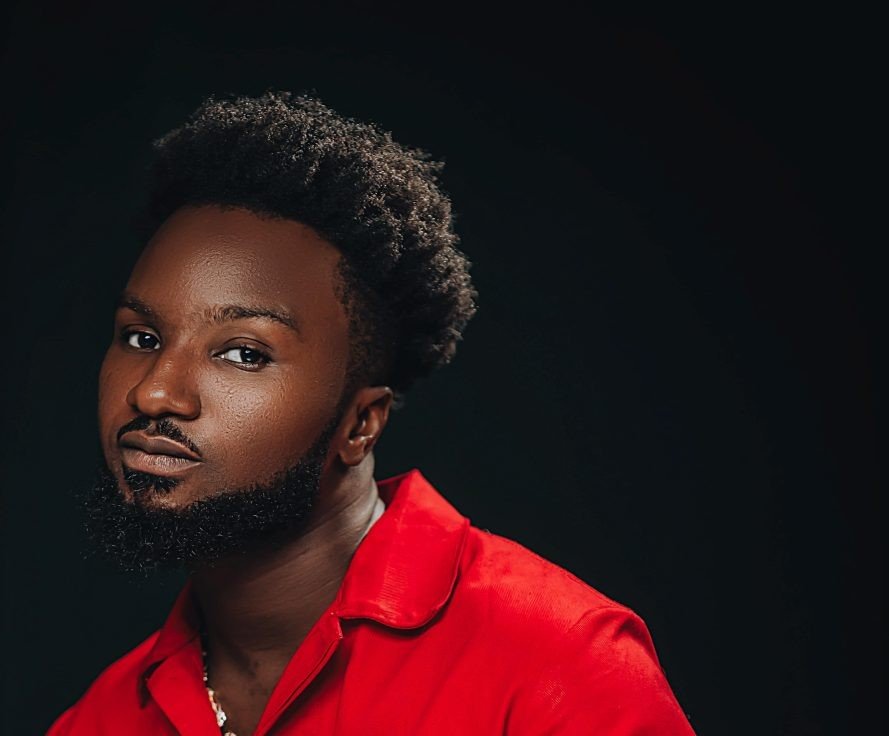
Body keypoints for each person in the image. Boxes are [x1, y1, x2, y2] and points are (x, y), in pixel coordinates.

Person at [48, 91, 696, 735]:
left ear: (361, 423)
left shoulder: (560, 664)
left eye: (244, 353)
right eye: (142, 338)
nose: (155, 394)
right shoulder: (99, 721)